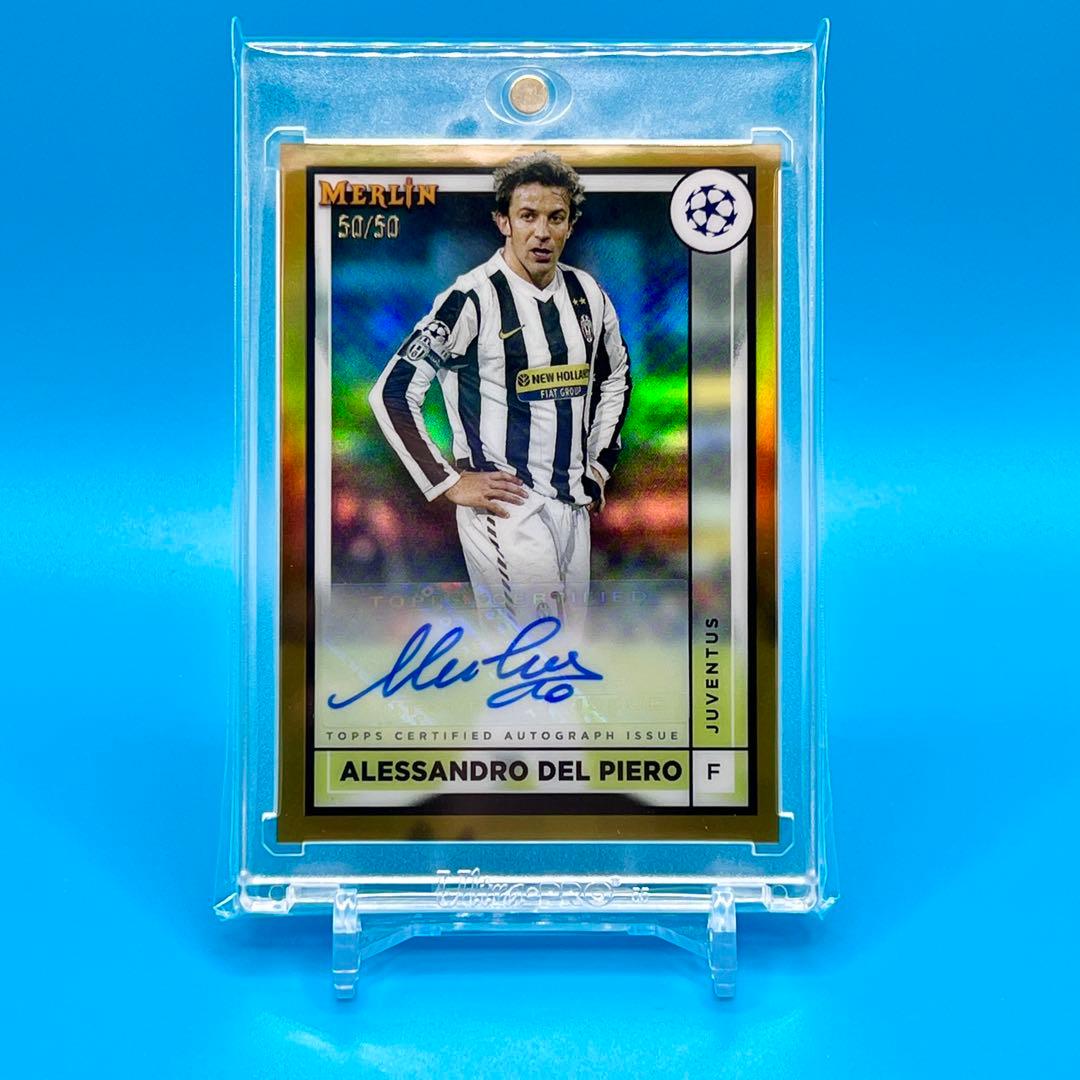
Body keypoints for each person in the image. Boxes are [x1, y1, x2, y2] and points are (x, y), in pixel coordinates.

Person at [369, 151, 632, 628]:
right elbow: (392, 392)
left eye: (555, 218)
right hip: (506, 509)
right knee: (533, 648)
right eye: (527, 216)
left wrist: (599, 464)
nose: (542, 232)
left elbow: (617, 377)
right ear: (503, 221)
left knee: (564, 653)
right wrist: (448, 482)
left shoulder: (588, 294)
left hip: (573, 508)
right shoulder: (470, 298)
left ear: (570, 225)